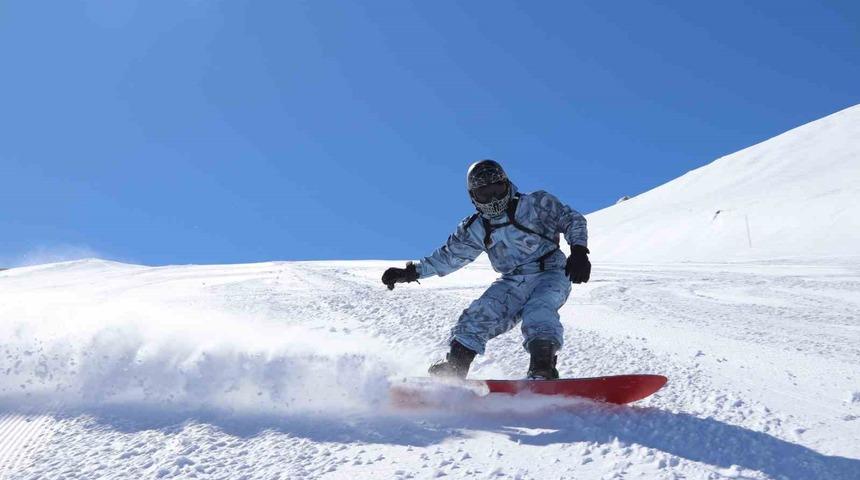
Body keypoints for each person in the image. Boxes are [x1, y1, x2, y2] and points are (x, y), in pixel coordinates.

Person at [382, 159, 590, 380]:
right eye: (484, 193)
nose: (493, 199)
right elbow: (449, 256)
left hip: (551, 271)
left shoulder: (535, 203)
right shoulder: (476, 228)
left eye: (497, 189)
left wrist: (578, 250)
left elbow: (571, 219)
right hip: (513, 280)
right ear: (473, 197)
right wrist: (411, 272)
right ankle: (455, 370)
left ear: (507, 184)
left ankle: (542, 368)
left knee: (539, 311)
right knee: (478, 314)